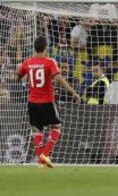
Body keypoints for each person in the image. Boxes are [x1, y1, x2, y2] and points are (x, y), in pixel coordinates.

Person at [16, 36, 81, 168]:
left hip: (32, 102)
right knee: (56, 127)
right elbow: (59, 78)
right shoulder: (50, 62)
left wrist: (26, 78)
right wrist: (73, 92)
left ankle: (41, 162)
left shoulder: (27, 62)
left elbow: (18, 77)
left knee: (37, 131)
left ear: (35, 48)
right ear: (46, 48)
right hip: (47, 101)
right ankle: (45, 154)